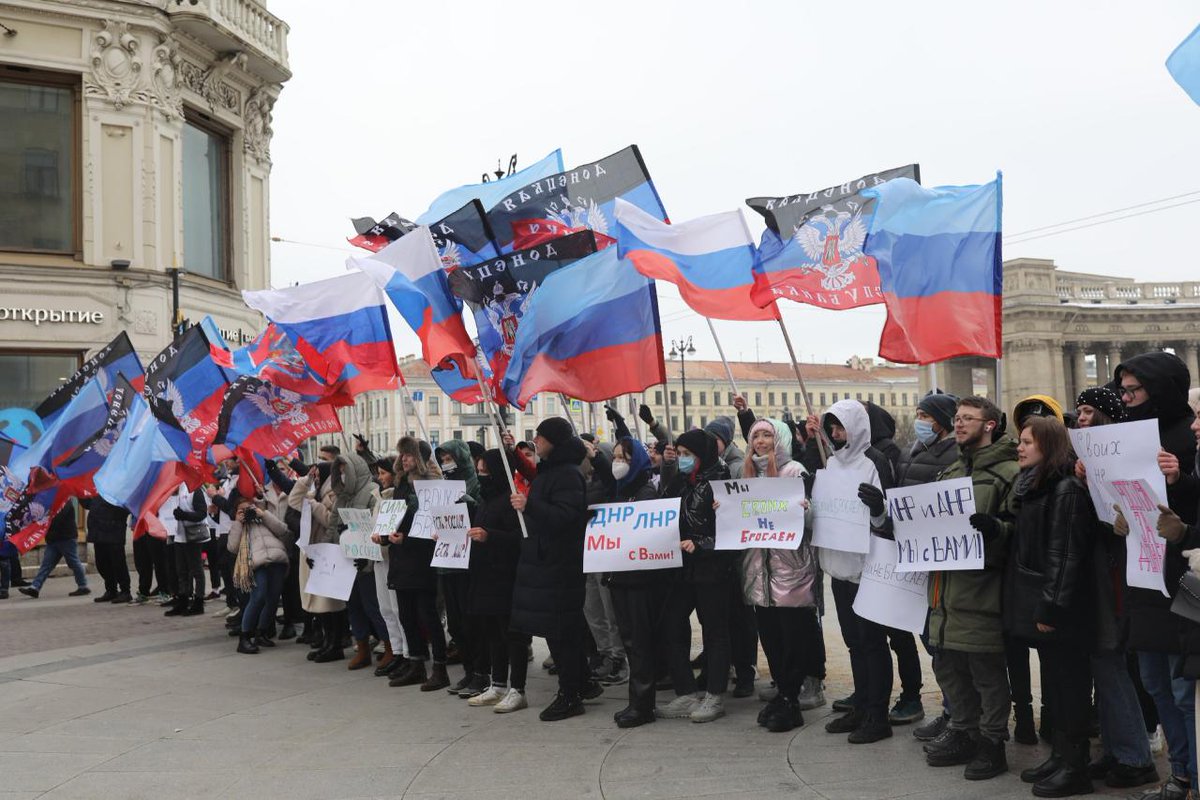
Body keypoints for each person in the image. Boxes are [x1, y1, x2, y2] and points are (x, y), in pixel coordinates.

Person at [989, 416, 1096, 796]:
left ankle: (1076, 767)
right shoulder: (1032, 486)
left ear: (1048, 446)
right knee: (1056, 683)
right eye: (1019, 441)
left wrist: (1052, 608)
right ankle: (1061, 757)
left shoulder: (1065, 489)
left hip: (1063, 609)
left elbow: (1064, 555)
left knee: (1070, 687)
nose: (1019, 447)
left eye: (1028, 442)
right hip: (1040, 599)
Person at [1115, 351, 1199, 800]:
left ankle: (1194, 778)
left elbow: (1194, 502)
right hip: (1144, 572)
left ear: (1161, 387)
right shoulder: (1130, 436)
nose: (1126, 398)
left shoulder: (1189, 435)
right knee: (1154, 684)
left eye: (1134, 390)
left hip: (1182, 580)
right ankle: (1180, 774)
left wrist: (1181, 481)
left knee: (1183, 690)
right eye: (1123, 390)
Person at [925, 395, 1018, 781]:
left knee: (986, 671)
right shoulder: (949, 474)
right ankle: (963, 730)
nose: (958, 424)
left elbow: (1022, 533)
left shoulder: (1008, 473)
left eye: (968, 418)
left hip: (982, 592)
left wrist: (998, 530)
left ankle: (992, 742)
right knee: (947, 665)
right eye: (957, 418)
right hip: (944, 592)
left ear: (990, 424)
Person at [1072, 387, 1159, 792]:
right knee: (1102, 667)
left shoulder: (1124, 458)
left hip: (1120, 580)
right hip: (1102, 577)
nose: (1082, 417)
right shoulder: (1086, 463)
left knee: (1112, 665)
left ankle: (1134, 756)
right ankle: (1115, 748)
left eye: (1089, 411)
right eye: (1079, 411)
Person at [810, 400, 897, 745]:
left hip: (868, 568)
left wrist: (878, 507)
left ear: (857, 427)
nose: (835, 434)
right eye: (831, 428)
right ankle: (861, 704)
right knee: (853, 643)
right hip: (839, 566)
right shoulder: (830, 462)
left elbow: (891, 516)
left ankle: (879, 714)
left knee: (873, 643)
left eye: (841, 427)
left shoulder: (875, 461)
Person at [509, 417, 595, 722]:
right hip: (547, 561)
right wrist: (512, 453)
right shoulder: (552, 469)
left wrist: (528, 505)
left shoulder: (568, 474)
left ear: (554, 441)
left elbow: (566, 516)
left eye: (541, 438)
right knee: (560, 631)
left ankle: (570, 695)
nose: (536, 442)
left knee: (562, 634)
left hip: (560, 563)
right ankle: (583, 683)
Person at [740, 418, 822, 733]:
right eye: (756, 436)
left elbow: (812, 516)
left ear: (779, 440)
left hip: (791, 569)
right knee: (771, 637)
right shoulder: (747, 475)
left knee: (793, 637)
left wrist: (805, 510)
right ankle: (783, 692)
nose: (761, 441)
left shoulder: (793, 471)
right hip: (758, 571)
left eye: (767, 435)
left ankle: (791, 696)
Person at [658, 428, 733, 724]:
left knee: (714, 631)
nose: (683, 460)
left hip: (712, 568)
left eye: (688, 455)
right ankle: (687, 691)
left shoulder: (722, 481)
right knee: (671, 623)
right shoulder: (680, 480)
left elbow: (732, 532)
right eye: (680, 454)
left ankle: (715, 695)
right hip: (682, 567)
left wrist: (701, 544)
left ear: (702, 454)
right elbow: (661, 511)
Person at [899, 391, 960, 737]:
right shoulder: (918, 450)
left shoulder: (953, 455)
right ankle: (952, 711)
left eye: (924, 415)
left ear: (939, 420)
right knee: (931, 641)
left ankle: (959, 714)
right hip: (917, 559)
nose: (919, 420)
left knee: (944, 645)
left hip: (941, 560)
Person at [606, 437, 675, 727]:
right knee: (630, 640)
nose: (617, 463)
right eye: (616, 457)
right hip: (621, 576)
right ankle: (636, 701)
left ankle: (643, 705)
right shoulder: (623, 491)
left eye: (623, 458)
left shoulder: (646, 492)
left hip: (639, 580)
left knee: (640, 643)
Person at [463, 448, 527, 713]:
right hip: (485, 576)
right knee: (493, 633)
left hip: (506, 577)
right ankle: (498, 683)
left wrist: (490, 536)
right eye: (478, 471)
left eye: (485, 471)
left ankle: (518, 688)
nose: (481, 476)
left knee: (512, 635)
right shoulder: (486, 501)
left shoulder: (510, 501)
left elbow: (520, 538)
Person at [388, 436, 450, 691]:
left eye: (409, 454)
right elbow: (395, 515)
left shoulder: (433, 486)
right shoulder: (400, 483)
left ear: (421, 459)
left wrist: (408, 540)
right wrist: (383, 534)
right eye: (402, 454)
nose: (404, 459)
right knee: (406, 614)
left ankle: (440, 667)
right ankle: (415, 663)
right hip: (401, 557)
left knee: (428, 615)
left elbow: (433, 527)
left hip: (422, 558)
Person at [436, 440, 487, 696]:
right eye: (442, 459)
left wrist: (471, 503)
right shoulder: (442, 488)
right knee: (455, 624)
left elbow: (482, 514)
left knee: (472, 622)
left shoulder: (476, 484)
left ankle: (481, 671)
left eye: (449, 457)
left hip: (468, 564)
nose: (447, 463)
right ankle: (469, 671)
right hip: (447, 563)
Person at [288, 460, 348, 663]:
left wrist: (314, 506)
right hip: (313, 552)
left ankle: (335, 644)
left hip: (329, 551)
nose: (317, 479)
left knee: (331, 604)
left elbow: (333, 520)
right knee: (319, 605)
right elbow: (294, 500)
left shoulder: (333, 494)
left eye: (319, 475)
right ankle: (326, 641)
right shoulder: (314, 493)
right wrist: (306, 479)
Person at [226, 492, 290, 654]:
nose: (247, 511)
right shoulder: (238, 526)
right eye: (242, 510)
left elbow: (283, 531)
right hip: (255, 563)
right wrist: (238, 523)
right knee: (258, 597)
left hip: (276, 559)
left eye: (249, 507)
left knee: (273, 599)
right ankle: (245, 637)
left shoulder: (263, 519)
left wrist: (263, 514)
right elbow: (232, 547)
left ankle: (261, 633)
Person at [367, 458, 406, 676]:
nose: (380, 477)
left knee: (398, 608)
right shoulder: (379, 498)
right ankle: (397, 650)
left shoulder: (399, 497)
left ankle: (407, 653)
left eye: (384, 473)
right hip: (379, 558)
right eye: (379, 473)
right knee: (386, 608)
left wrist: (384, 538)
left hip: (393, 558)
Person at [18, 500, 89, 598]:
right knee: (46, 565)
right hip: (53, 539)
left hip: (66, 538)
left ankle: (83, 586)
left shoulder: (65, 502)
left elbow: (57, 519)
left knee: (73, 562)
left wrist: (44, 522)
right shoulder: (52, 502)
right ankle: (35, 587)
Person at [165, 482, 209, 617]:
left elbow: (202, 513)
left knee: (196, 570)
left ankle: (198, 602)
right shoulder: (178, 489)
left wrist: (184, 515)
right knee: (181, 571)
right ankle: (183, 601)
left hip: (193, 536)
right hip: (180, 536)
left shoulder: (195, 490)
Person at [82, 497, 131, 603]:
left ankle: (125, 591)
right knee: (102, 564)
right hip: (98, 533)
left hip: (114, 531)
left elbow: (126, 508)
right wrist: (79, 493)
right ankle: (111, 590)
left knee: (118, 563)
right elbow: (87, 504)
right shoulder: (98, 489)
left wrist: (113, 516)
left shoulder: (118, 490)